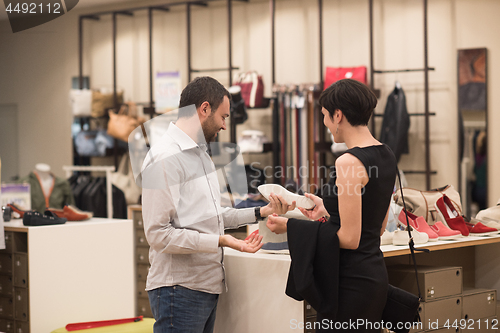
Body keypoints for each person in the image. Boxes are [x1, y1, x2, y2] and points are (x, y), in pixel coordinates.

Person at [141, 76, 294, 333]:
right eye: (223, 117)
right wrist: (220, 241)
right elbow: (158, 235)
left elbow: (213, 216)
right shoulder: (165, 157)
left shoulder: (201, 154)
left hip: (205, 286)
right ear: (204, 109)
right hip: (178, 290)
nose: (224, 126)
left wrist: (261, 211)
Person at [267, 78, 397, 332]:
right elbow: (377, 226)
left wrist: (292, 227)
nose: (325, 123)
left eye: (325, 115)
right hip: (373, 274)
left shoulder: (348, 162)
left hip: (350, 282)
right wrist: (328, 209)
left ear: (338, 115)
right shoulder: (386, 154)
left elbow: (350, 238)